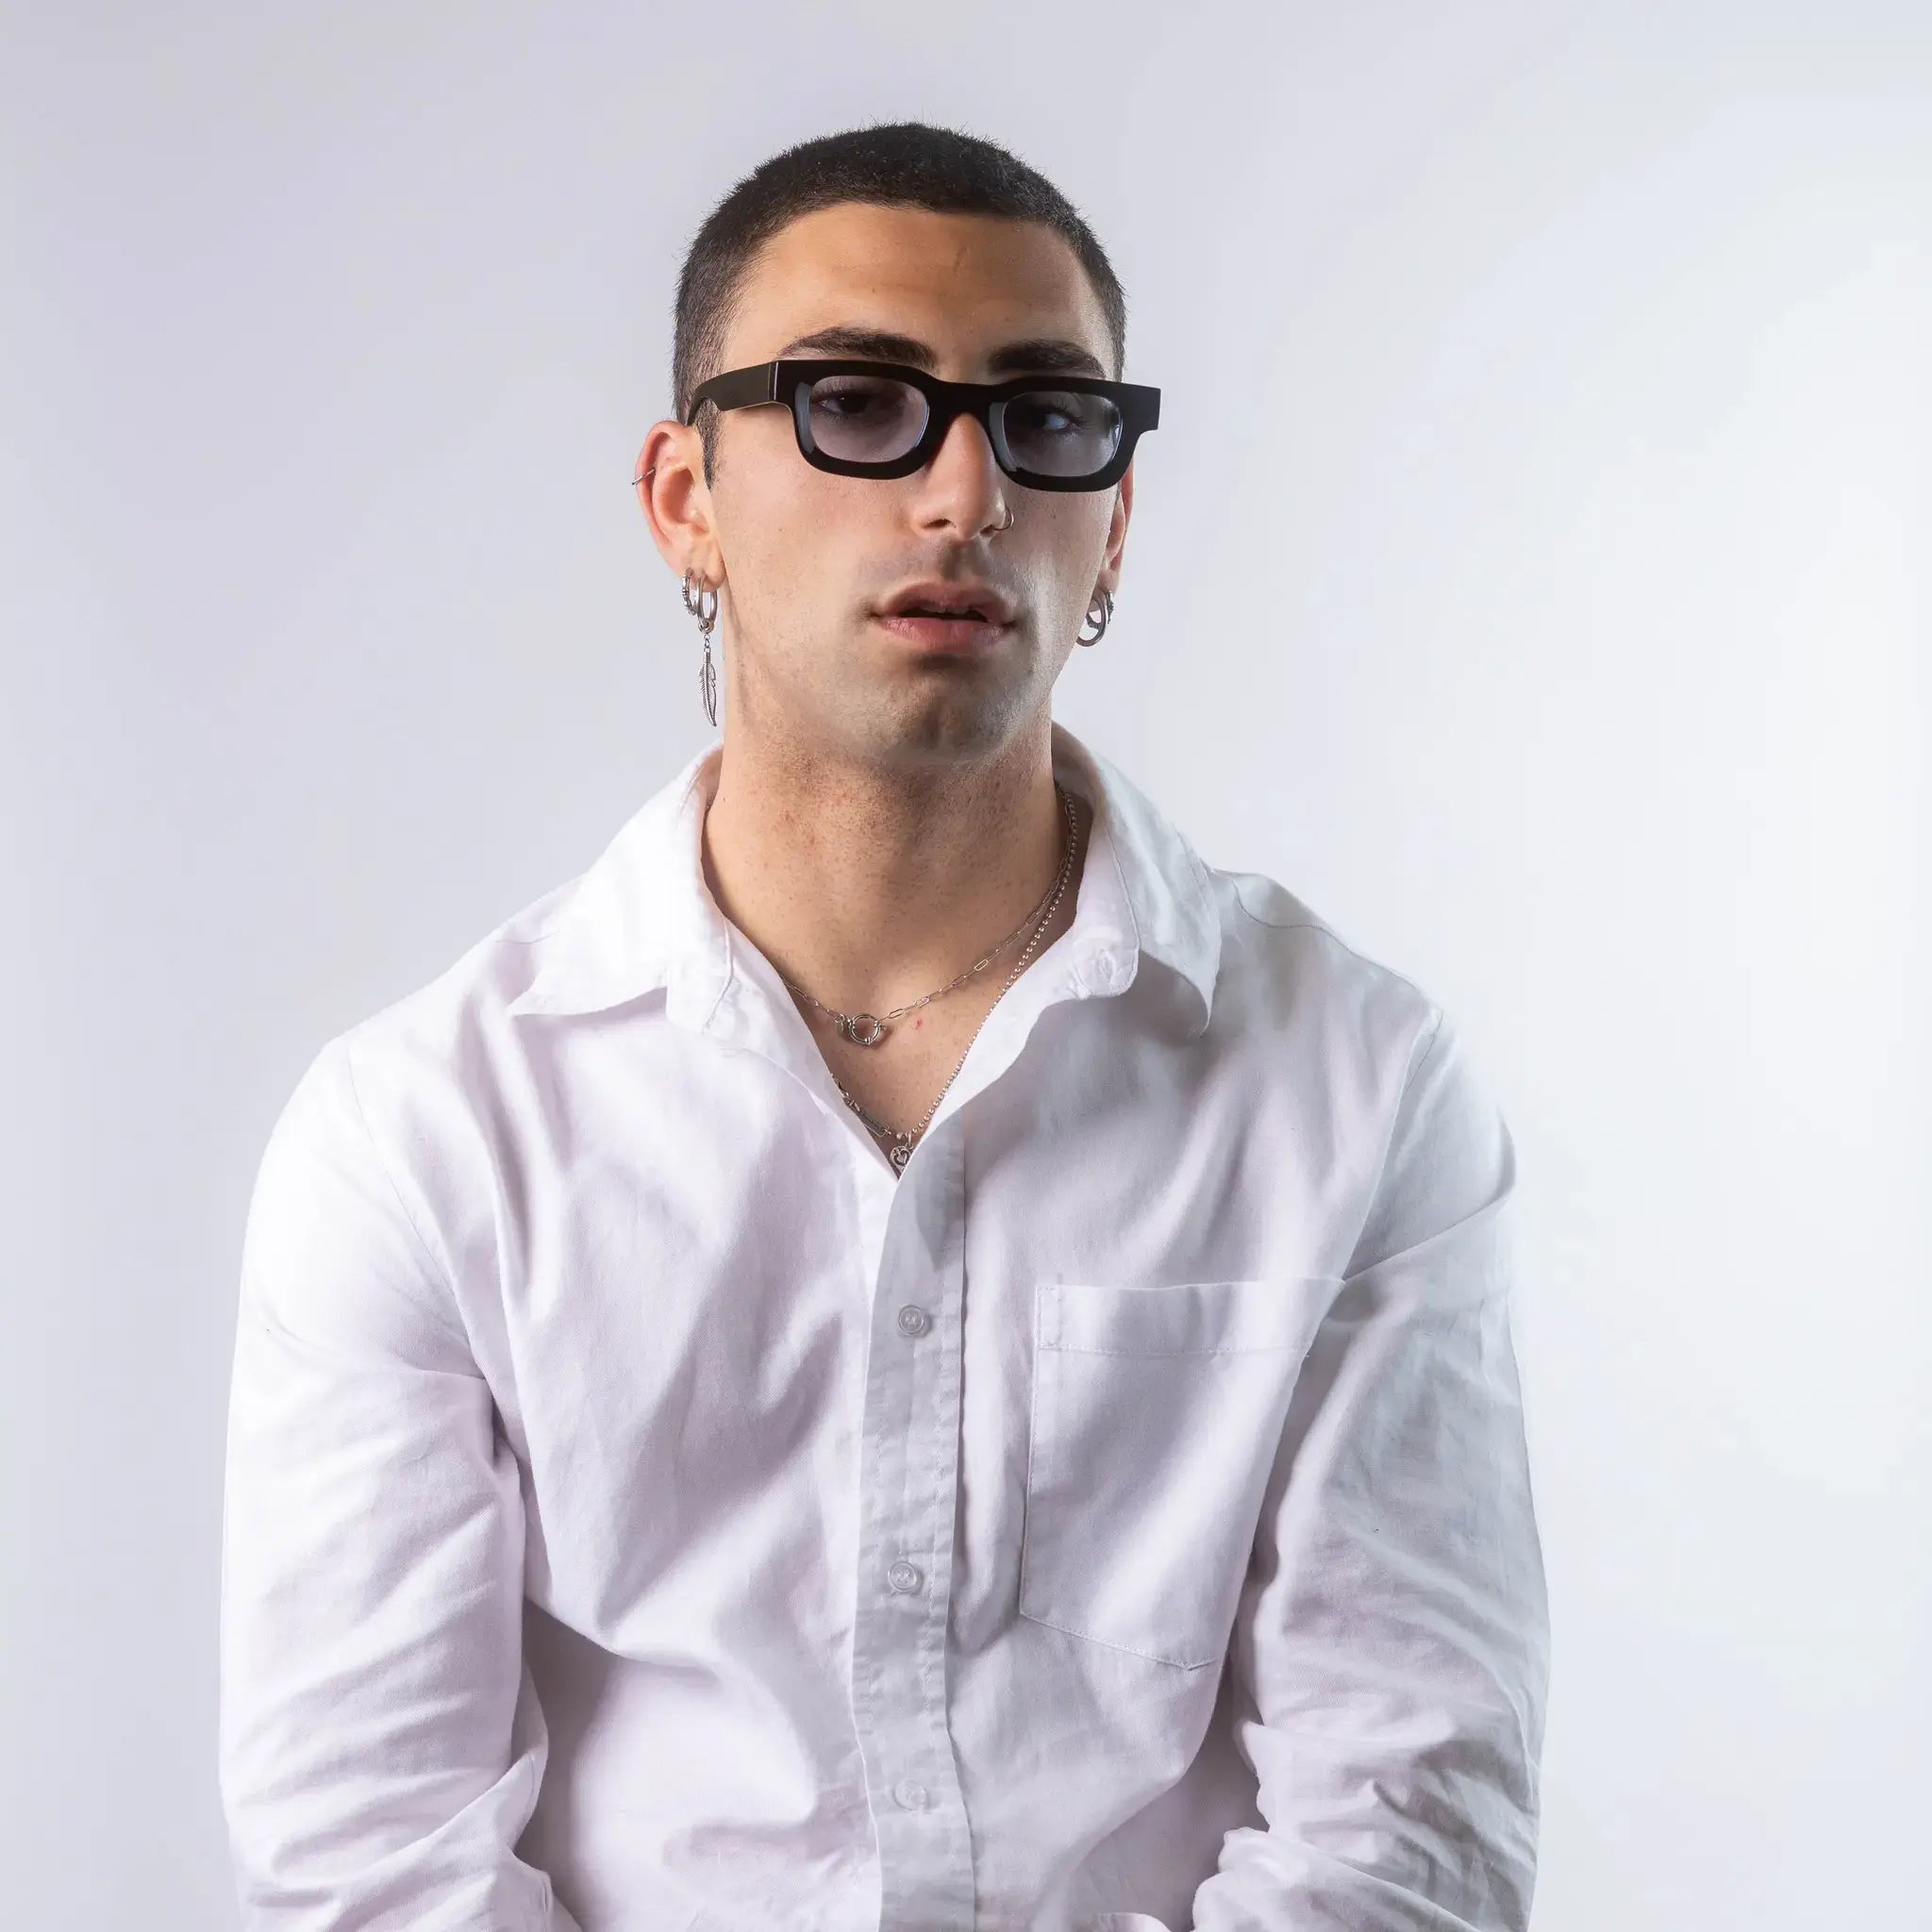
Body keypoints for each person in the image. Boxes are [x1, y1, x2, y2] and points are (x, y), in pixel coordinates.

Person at [219, 120, 1550, 1932]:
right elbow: (370, 1857)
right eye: (858, 401)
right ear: (686, 496)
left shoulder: (1358, 1088)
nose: (963, 495)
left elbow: (1410, 1829)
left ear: (1118, 514)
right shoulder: (428, 1130)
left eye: (1046, 419)